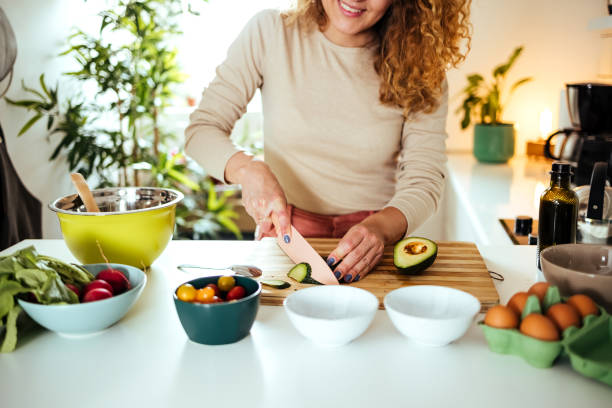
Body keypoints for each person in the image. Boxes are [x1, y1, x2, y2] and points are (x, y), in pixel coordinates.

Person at [185, 0, 471, 283]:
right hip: (287, 240)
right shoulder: (271, 32)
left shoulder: (422, 66)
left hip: (373, 246)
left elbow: (424, 178)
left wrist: (381, 229)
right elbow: (202, 130)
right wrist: (248, 169)